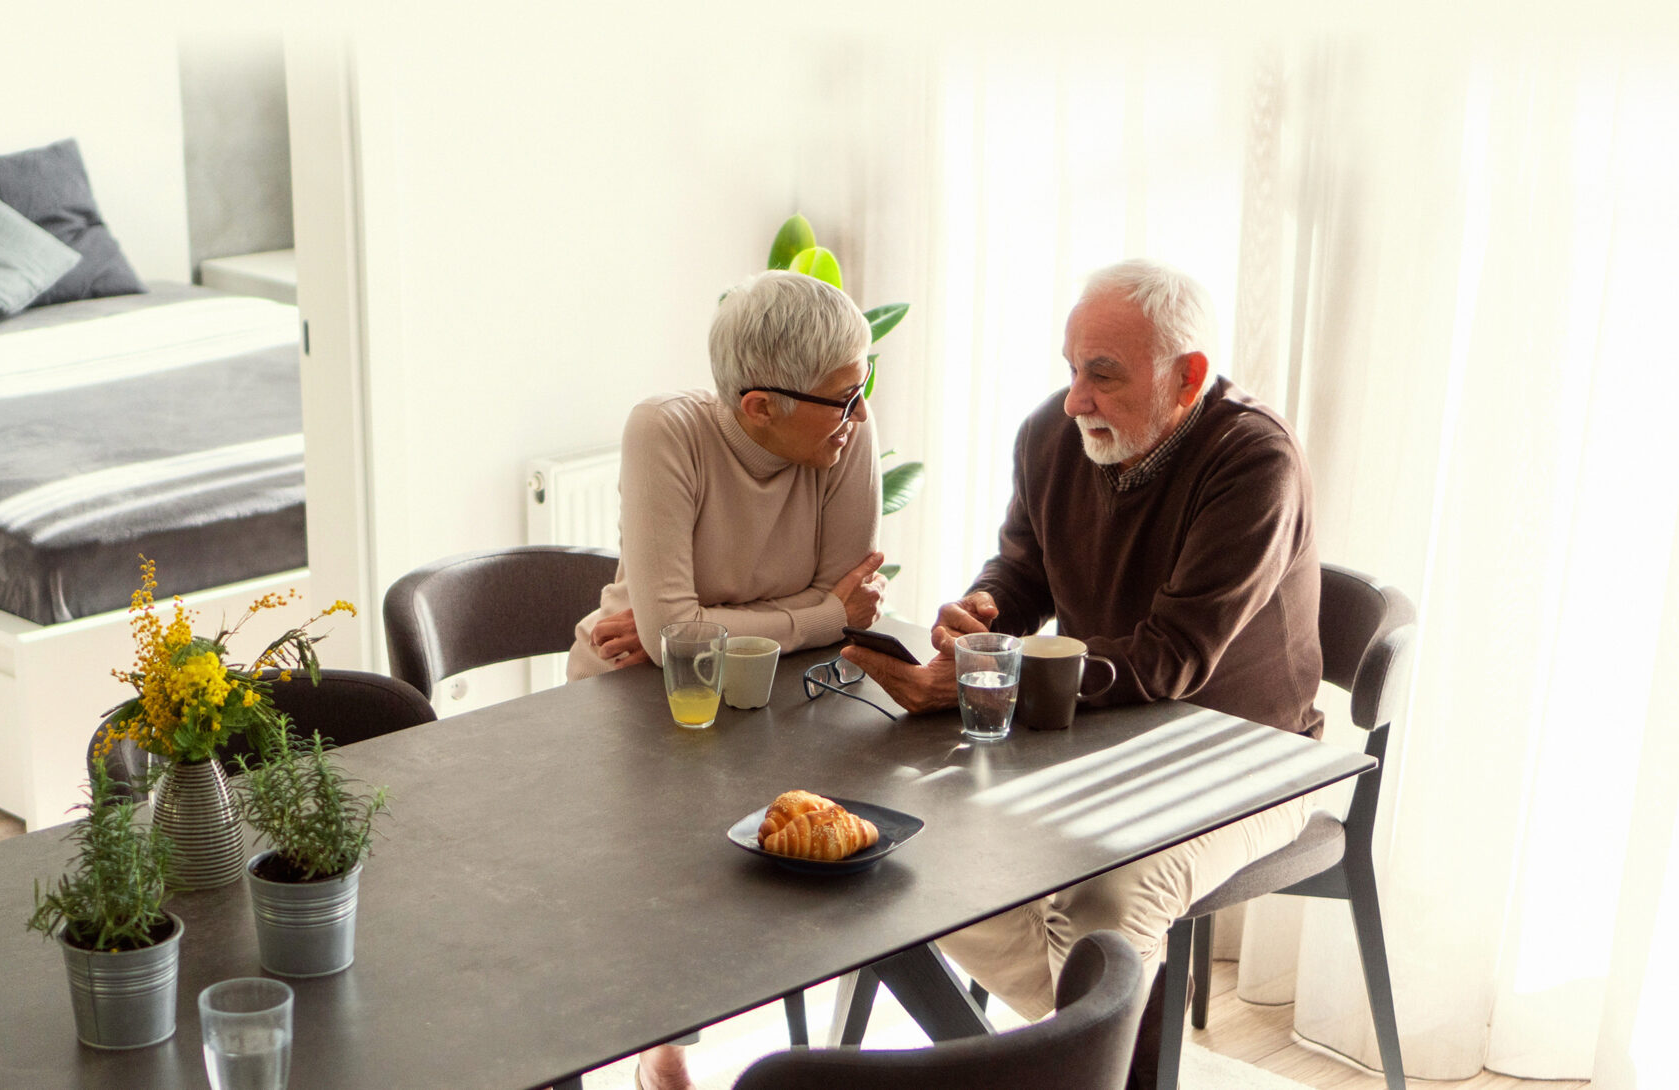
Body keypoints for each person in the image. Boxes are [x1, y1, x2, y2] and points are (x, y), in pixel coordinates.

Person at [841, 258, 1322, 1088]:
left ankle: (1096, 1054)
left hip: (1252, 757)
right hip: (1104, 735)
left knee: (1103, 900)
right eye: (1071, 370)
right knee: (905, 846)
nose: (1075, 400)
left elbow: (1172, 659)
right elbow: (1022, 572)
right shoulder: (1050, 436)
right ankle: (1104, 1055)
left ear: (1188, 378)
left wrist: (994, 677)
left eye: (1103, 375)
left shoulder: (1253, 461)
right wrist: (985, 618)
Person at [566, 269, 887, 1090]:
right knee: (662, 864)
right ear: (759, 406)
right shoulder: (665, 432)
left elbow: (843, 614)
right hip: (633, 694)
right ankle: (658, 1035)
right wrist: (802, 613)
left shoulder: (843, 432)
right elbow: (672, 637)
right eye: (842, 397)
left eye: (861, 389)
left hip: (778, 694)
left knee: (839, 848)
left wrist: (702, 628)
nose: (858, 413)